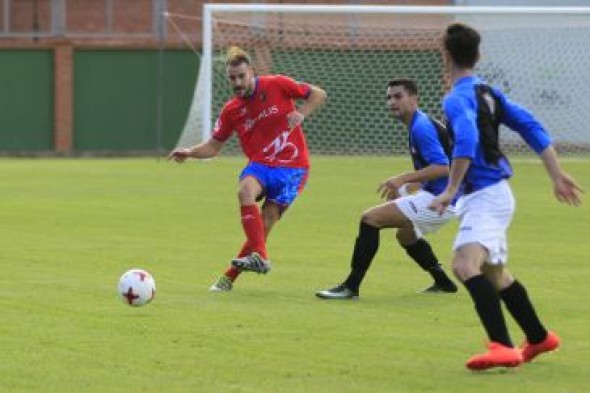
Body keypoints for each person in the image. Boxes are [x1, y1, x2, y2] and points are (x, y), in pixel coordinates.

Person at [429, 23, 583, 371]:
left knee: (463, 265)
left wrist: (450, 190)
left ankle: (500, 345)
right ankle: (539, 336)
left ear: (447, 55)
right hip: (492, 194)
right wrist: (556, 174)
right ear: (479, 55)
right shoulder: (489, 92)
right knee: (495, 274)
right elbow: (532, 126)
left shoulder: (456, 98)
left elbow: (466, 140)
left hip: (485, 195)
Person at [169, 46, 327, 292]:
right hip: (261, 166)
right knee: (245, 191)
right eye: (233, 78)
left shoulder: (277, 84)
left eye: (242, 76)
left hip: (293, 168)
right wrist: (190, 152)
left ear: (251, 72)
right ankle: (261, 258)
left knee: (264, 225)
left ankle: (229, 277)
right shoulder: (232, 110)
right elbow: (213, 146)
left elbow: (318, 93)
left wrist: (301, 112)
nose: (238, 82)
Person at [315, 78, 458, 300]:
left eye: (398, 96)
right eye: (389, 97)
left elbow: (442, 168)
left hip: (443, 199)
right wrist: (410, 185)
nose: (392, 101)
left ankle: (350, 287)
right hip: (443, 195)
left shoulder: (421, 127)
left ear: (414, 98)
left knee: (370, 219)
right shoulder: (419, 123)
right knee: (406, 236)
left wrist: (402, 179)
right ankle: (444, 282)